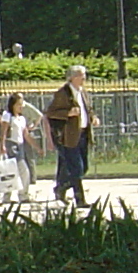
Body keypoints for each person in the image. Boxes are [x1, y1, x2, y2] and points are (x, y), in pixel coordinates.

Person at [43, 63, 94, 206]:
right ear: (73, 78)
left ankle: (61, 188)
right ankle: (80, 200)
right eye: (81, 76)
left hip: (83, 133)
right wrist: (68, 113)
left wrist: (93, 118)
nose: (84, 78)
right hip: (68, 136)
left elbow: (88, 110)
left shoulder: (83, 92)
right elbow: (51, 113)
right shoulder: (63, 93)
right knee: (76, 168)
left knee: (83, 168)